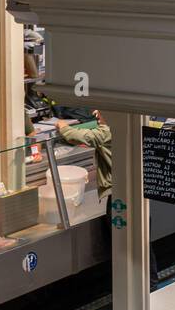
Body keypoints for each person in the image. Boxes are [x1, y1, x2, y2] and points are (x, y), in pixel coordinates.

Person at [53, 112, 158, 280]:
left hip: (121, 196)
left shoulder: (109, 130)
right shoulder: (131, 124)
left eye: (101, 109)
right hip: (137, 192)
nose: (96, 113)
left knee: (123, 243)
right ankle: (148, 282)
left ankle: (136, 284)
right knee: (141, 242)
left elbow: (81, 137)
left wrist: (62, 125)